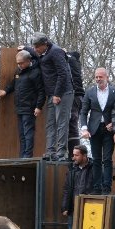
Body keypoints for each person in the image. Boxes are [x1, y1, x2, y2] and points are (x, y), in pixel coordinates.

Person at [28, 33, 73, 161]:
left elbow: (63, 74)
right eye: (34, 47)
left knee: (61, 123)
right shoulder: (43, 52)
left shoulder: (56, 52)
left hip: (63, 93)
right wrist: (25, 48)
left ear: (45, 44)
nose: (35, 50)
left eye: (37, 47)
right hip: (51, 94)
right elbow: (33, 50)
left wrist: (57, 94)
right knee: (50, 124)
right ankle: (50, 151)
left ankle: (61, 153)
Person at [79, 68, 115, 194]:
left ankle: (106, 188)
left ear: (107, 77)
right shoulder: (90, 92)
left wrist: (114, 124)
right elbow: (83, 111)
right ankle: (97, 188)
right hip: (94, 130)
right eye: (96, 77)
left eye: (100, 77)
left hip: (109, 130)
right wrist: (84, 128)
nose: (98, 79)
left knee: (107, 159)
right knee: (96, 159)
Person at [0, 50, 45, 158]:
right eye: (18, 63)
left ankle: (27, 155)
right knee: (22, 134)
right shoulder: (18, 71)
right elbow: (13, 84)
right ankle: (22, 155)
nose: (19, 65)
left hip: (29, 107)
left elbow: (41, 91)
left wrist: (38, 106)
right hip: (19, 107)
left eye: (21, 63)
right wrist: (6, 91)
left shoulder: (35, 72)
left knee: (28, 133)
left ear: (29, 61)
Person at [61, 145, 95, 229]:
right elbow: (67, 189)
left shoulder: (95, 168)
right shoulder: (72, 169)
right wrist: (65, 207)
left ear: (84, 156)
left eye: (76, 155)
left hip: (89, 209)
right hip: (73, 209)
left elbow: (99, 188)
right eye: (73, 155)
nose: (73, 157)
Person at [67, 50, 85, 150]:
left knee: (72, 124)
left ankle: (73, 153)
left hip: (75, 96)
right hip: (79, 96)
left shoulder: (71, 61)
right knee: (73, 124)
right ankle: (74, 152)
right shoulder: (76, 63)